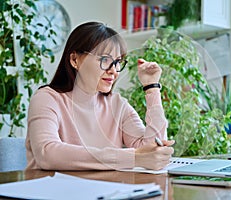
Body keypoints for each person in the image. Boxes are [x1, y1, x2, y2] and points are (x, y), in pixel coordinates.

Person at [25, 22, 174, 171]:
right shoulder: (47, 98)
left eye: (117, 62)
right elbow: (47, 154)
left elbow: (152, 150)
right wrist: (132, 158)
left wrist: (152, 87)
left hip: (104, 190)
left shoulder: (117, 105)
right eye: (105, 60)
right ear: (75, 60)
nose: (114, 70)